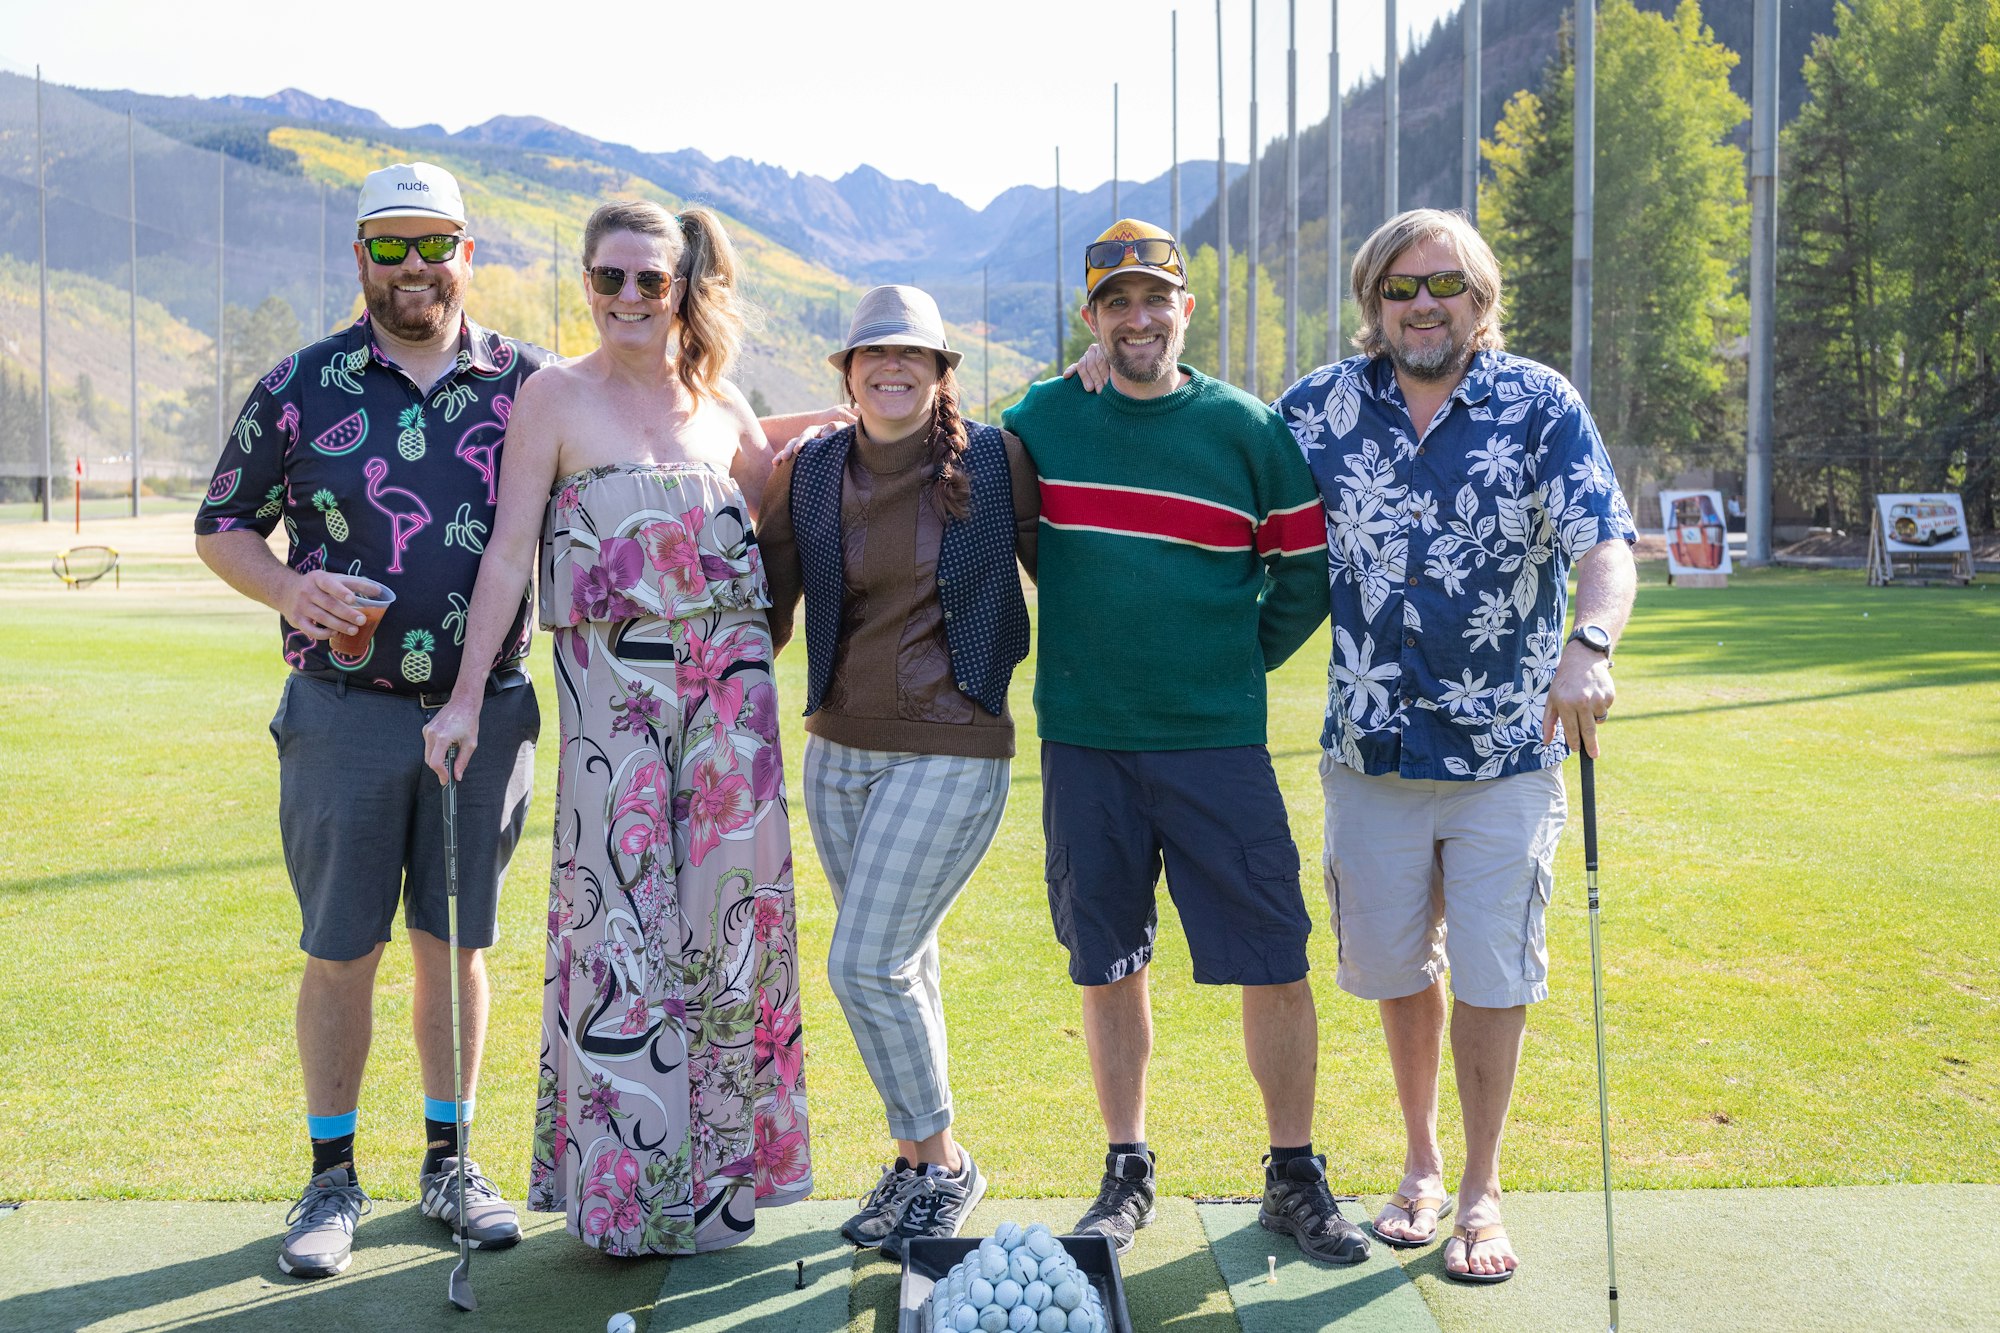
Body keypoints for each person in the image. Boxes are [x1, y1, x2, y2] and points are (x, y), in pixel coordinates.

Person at [422, 199, 818, 1256]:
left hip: (732, 725)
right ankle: (620, 1200)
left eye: (651, 279)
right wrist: (464, 696)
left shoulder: (728, 414)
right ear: (586, 284)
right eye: (610, 279)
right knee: (619, 942)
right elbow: (506, 556)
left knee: (727, 937)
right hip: (613, 722)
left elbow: (768, 570)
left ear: (685, 285)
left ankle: (721, 1194)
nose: (629, 298)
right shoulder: (553, 398)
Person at [195, 162, 549, 1279]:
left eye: (432, 243)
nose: (412, 267)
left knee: (457, 949)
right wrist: (289, 589)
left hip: (483, 714)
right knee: (342, 948)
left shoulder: (528, 387)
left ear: (466, 253)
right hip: (341, 712)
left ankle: (449, 1162)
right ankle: (331, 1175)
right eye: (388, 245)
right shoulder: (299, 385)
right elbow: (223, 524)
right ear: (359, 257)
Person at [1272, 208, 1638, 1283]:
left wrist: (1589, 643)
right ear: (1370, 303)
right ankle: (1420, 1162)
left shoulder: (1538, 404)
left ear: (1480, 300)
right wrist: (1109, 368)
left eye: (1442, 285)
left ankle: (1479, 1188)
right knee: (1391, 965)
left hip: (1505, 754)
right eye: (1397, 286)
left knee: (1492, 970)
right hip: (1371, 750)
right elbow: (1205, 447)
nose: (1419, 303)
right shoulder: (1318, 406)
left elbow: (1603, 541)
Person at [1001, 220, 1370, 1266]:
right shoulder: (1040, 417)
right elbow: (985, 485)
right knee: (1106, 961)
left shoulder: (1245, 430)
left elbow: (1302, 570)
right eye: (1115, 302)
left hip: (1213, 742)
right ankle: (1126, 1167)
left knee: (1272, 955)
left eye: (1152, 297)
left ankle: (1291, 1170)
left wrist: (1229, 658)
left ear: (1184, 309)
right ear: (1090, 319)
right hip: (1085, 741)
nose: (1136, 317)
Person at [756, 285, 1039, 1259]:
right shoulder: (812, 468)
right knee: (901, 962)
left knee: (863, 961)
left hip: (953, 744)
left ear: (940, 371)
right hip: (836, 752)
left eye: (910, 356)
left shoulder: (996, 461)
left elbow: (1067, 574)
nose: (890, 369)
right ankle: (916, 1167)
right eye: (872, 355)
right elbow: (769, 602)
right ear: (845, 370)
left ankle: (946, 1162)